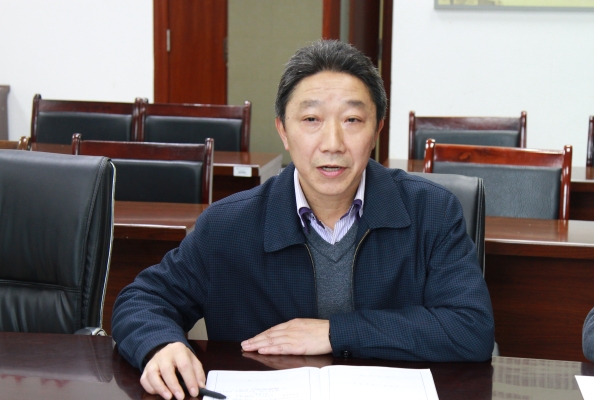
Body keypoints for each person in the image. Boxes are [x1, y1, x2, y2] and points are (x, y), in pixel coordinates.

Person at [112, 40, 495, 400]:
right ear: (283, 130)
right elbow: (142, 299)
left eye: (352, 120)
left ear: (377, 129)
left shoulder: (431, 211)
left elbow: (471, 329)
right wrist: (160, 344)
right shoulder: (228, 225)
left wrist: (335, 333)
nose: (332, 143)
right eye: (311, 119)